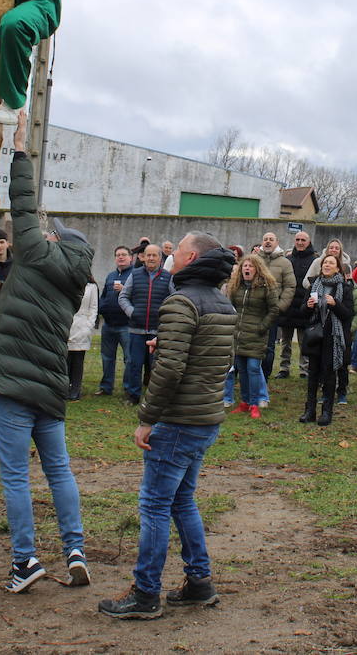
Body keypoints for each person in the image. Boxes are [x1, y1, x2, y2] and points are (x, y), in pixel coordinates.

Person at [0, 115, 95, 593]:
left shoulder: (36, 253)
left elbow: (22, 205)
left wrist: (20, 151)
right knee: (59, 471)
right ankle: (74, 549)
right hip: (48, 387)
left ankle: (25, 560)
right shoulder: (69, 282)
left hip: (9, 383)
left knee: (14, 477)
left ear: (56, 243)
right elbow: (14, 291)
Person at [98, 232, 235, 620]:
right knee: (181, 500)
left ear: (190, 257)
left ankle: (145, 594)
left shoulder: (181, 300)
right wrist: (168, 344)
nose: (170, 254)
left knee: (156, 505)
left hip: (177, 421)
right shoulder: (222, 303)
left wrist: (147, 418)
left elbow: (172, 369)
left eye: (178, 247)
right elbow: (214, 359)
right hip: (205, 417)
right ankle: (199, 583)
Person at [300, 254, 352, 426]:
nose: (327, 265)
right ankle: (310, 411)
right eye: (325, 263)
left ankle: (327, 411)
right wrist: (307, 307)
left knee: (329, 374)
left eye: (331, 263)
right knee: (312, 373)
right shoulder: (314, 285)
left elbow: (348, 315)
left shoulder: (344, 288)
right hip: (316, 335)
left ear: (338, 268)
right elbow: (303, 313)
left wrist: (335, 304)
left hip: (333, 338)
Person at [118, 242, 173, 405]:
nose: (150, 258)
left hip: (158, 331)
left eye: (154, 255)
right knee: (134, 365)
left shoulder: (168, 277)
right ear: (143, 258)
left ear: (160, 258)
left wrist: (165, 316)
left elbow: (174, 299)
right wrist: (132, 312)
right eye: (148, 255)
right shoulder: (135, 275)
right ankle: (133, 396)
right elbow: (123, 297)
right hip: (136, 330)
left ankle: (154, 398)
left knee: (156, 367)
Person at [226, 252, 276, 417]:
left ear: (257, 269)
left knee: (253, 368)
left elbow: (274, 309)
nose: (247, 268)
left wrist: (263, 326)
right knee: (242, 369)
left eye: (250, 266)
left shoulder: (265, 286)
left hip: (256, 334)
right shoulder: (236, 286)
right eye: (245, 266)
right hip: (239, 335)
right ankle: (245, 402)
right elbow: (230, 307)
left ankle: (255, 403)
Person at [274, 232, 317, 379]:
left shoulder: (314, 260)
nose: (300, 242)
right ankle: (284, 368)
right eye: (297, 239)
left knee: (304, 341)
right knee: (285, 342)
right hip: (288, 306)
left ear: (308, 241)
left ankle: (304, 369)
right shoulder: (287, 260)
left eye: (303, 240)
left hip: (304, 307)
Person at [254, 233, 295, 377]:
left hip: (272, 310)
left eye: (271, 239)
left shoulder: (285, 263)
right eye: (265, 239)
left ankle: (264, 377)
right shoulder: (254, 260)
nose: (268, 242)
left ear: (277, 242)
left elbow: (290, 287)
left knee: (269, 346)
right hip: (253, 310)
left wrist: (280, 306)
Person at [97, 246, 134, 396]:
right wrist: (101, 308)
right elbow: (104, 295)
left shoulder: (135, 275)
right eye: (118, 255)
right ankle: (106, 387)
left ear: (131, 258)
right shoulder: (111, 275)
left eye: (124, 255)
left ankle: (128, 388)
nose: (121, 257)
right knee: (107, 358)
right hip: (108, 324)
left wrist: (125, 289)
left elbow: (139, 296)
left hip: (126, 325)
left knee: (129, 359)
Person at [66, 276, 99, 401]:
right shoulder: (67, 282)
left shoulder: (92, 287)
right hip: (68, 324)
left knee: (78, 360)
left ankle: (75, 390)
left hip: (83, 326)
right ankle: (65, 388)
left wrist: (88, 326)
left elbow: (93, 308)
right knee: (66, 359)